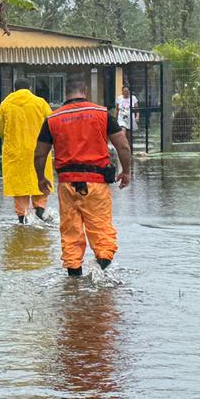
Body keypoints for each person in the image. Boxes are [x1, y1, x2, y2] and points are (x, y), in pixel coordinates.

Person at [33, 77, 132, 277]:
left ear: (65, 93)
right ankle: (99, 274)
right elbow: (122, 145)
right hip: (96, 184)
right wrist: (127, 171)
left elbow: (39, 154)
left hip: (67, 185)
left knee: (71, 234)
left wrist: (41, 178)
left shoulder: (53, 119)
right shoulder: (102, 113)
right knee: (102, 233)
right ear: (85, 91)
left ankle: (74, 283)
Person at [0, 77, 54, 223]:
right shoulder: (40, 103)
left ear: (14, 90)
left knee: (20, 188)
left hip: (16, 153)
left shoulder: (6, 105)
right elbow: (53, 123)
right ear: (30, 89)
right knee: (39, 182)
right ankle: (40, 210)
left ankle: (22, 219)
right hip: (39, 151)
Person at [116, 84, 138, 150]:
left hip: (130, 118)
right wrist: (116, 118)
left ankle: (129, 149)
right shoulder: (119, 98)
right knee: (123, 132)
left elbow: (137, 109)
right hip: (121, 118)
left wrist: (137, 116)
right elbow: (117, 109)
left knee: (129, 136)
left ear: (129, 91)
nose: (125, 92)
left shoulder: (133, 98)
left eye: (127, 91)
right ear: (122, 92)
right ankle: (123, 147)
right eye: (124, 91)